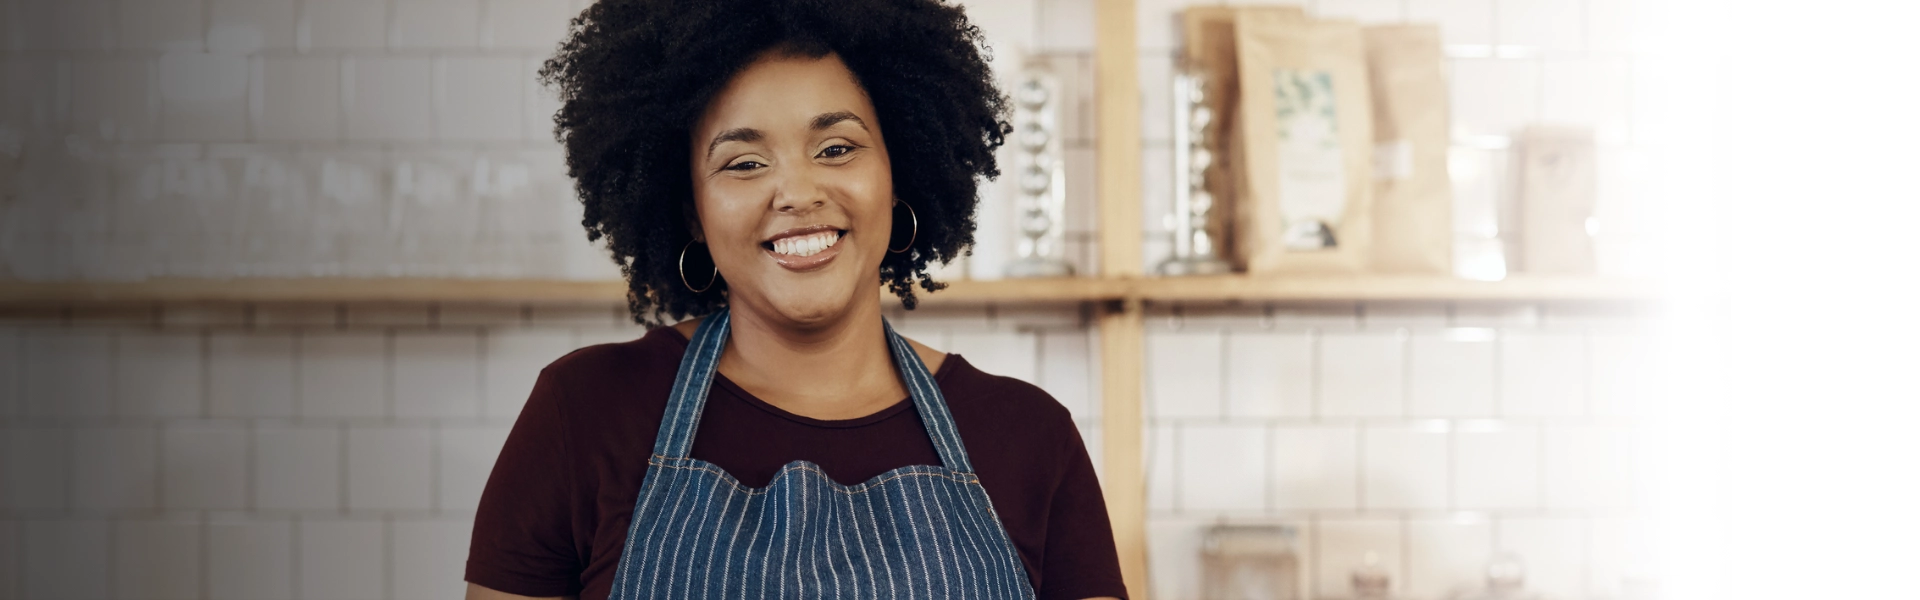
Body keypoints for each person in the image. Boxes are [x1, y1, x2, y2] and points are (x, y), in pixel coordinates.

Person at [462, 0, 1126, 598]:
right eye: (744, 162)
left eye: (836, 148)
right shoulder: (584, 413)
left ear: (898, 175)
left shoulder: (1029, 437)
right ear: (690, 210)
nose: (798, 193)